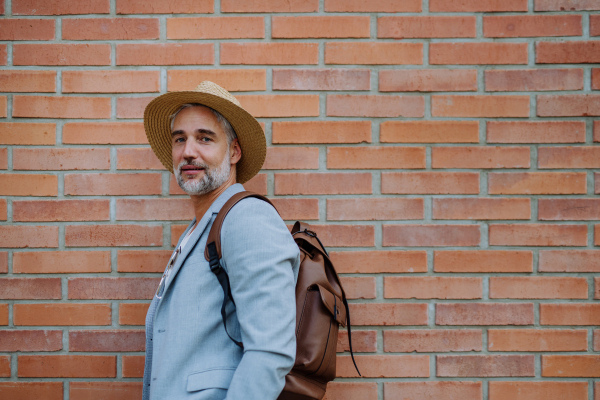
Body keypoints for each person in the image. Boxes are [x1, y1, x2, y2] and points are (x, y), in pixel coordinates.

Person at [142, 81, 301, 400]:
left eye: (204, 138)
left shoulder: (247, 218)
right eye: (180, 139)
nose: (188, 151)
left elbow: (270, 353)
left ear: (234, 151)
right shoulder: (198, 229)